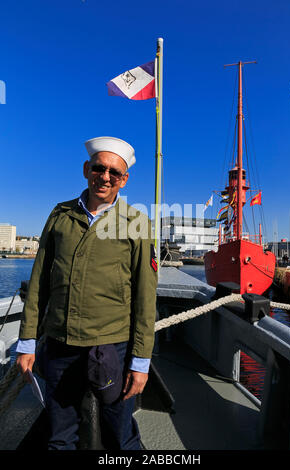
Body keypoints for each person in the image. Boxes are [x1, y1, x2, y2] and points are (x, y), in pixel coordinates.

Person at [16, 136, 158, 450]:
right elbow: (39, 280)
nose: (105, 176)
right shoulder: (60, 215)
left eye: (114, 172)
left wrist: (140, 363)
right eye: (99, 168)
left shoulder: (137, 224)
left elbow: (146, 299)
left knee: (119, 432)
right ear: (86, 169)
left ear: (124, 179)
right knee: (60, 433)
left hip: (111, 347)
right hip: (59, 344)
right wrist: (27, 341)